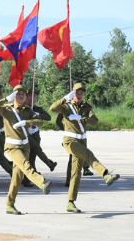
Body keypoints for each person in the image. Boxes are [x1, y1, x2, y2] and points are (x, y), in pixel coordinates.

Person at [50, 83, 120, 213]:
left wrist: (82, 118)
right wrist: (65, 98)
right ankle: (105, 174)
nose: (79, 94)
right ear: (73, 93)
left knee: (76, 173)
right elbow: (53, 108)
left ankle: (70, 202)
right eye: (77, 92)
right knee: (89, 154)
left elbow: (95, 121)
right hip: (70, 141)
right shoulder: (66, 106)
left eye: (82, 92)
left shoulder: (86, 107)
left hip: (82, 141)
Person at [0, 85, 53, 215]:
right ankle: (42, 182)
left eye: (24, 94)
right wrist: (6, 99)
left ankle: (10, 204)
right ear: (14, 96)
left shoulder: (28, 110)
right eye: (18, 94)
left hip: (25, 146)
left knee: (17, 177)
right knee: (26, 165)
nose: (22, 95)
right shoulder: (7, 110)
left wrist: (26, 122)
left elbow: (40, 121)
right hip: (13, 147)